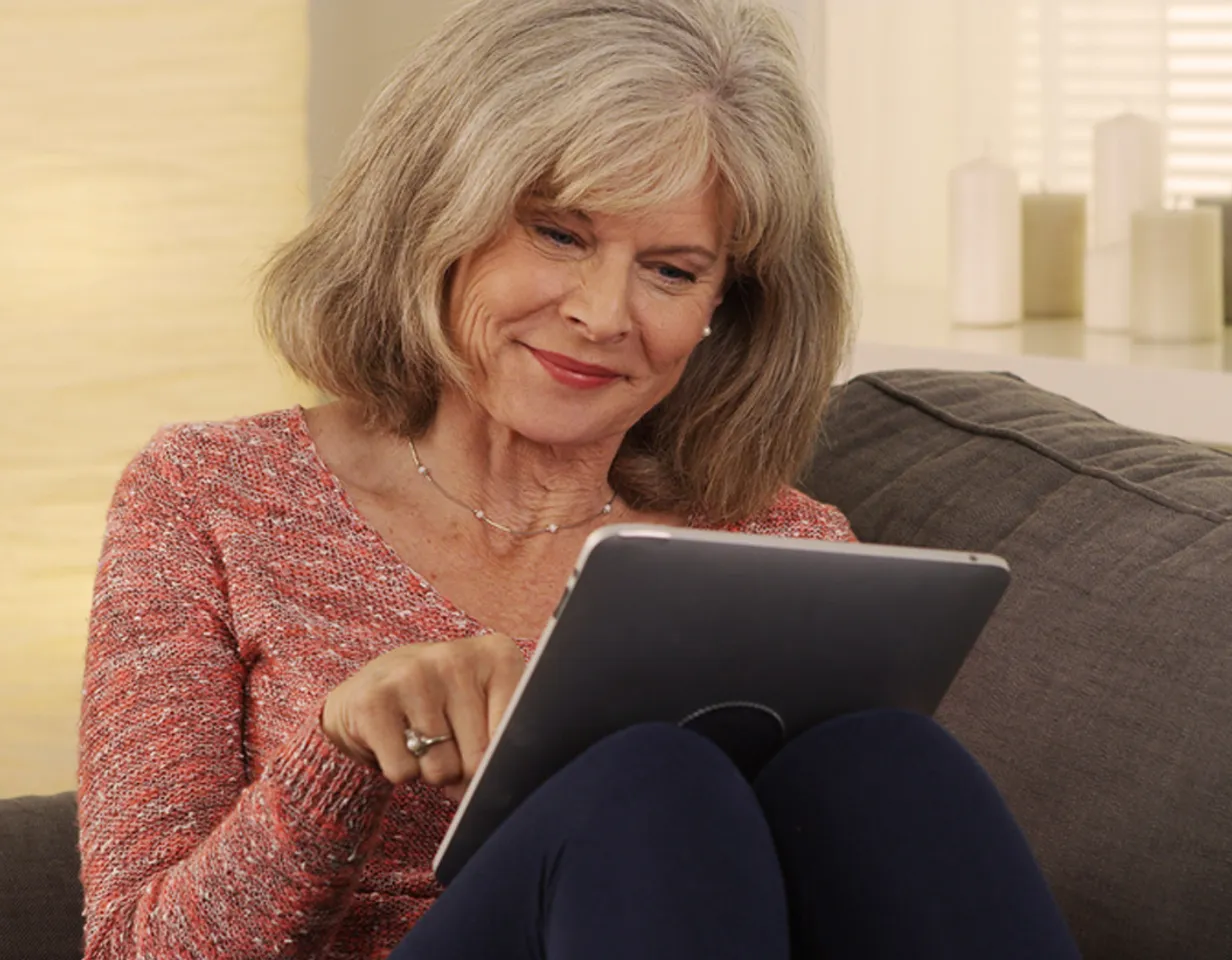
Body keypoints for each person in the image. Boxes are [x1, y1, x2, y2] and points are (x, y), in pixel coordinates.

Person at [77, 0, 1080, 957]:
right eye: (559, 234)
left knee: (885, 765)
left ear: (724, 311)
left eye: (673, 271)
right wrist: (338, 754)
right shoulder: (208, 495)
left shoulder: (789, 550)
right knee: (646, 782)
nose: (604, 313)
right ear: (438, 214)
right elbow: (135, 951)